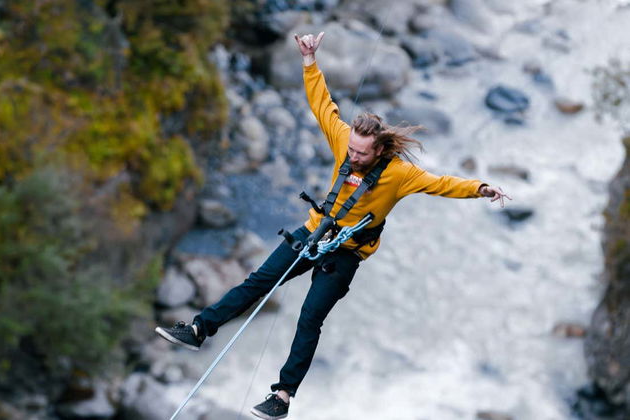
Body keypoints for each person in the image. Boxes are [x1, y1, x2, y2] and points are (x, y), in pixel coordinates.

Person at [155, 31, 512, 420]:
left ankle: (283, 396)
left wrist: (480, 188)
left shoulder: (399, 174)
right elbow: (321, 104)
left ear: (379, 150)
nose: (354, 156)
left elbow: (441, 183)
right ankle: (198, 330)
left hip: (346, 252)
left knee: (310, 316)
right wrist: (309, 61)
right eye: (352, 150)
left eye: (362, 153)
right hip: (313, 231)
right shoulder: (344, 139)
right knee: (257, 282)